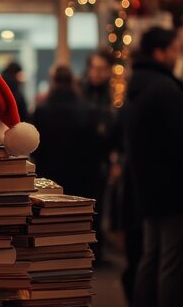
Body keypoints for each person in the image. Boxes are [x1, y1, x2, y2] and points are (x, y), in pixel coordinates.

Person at [125, 27, 183, 307]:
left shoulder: (139, 85)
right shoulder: (164, 89)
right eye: (175, 50)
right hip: (175, 190)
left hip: (148, 188)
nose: (178, 56)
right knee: (173, 265)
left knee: (152, 257)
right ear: (160, 52)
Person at [32, 65, 104, 199]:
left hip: (49, 176)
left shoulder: (41, 110)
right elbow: (96, 146)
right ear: (73, 81)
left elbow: (35, 147)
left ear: (53, 81)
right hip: (82, 176)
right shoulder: (88, 109)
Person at [79, 50, 115, 263]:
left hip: (99, 162)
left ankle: (95, 251)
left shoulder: (108, 95)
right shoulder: (81, 93)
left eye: (102, 69)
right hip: (83, 159)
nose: (97, 73)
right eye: (94, 68)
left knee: (98, 207)